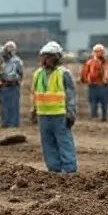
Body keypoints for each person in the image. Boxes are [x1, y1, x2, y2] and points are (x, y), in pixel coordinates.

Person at [31, 41, 77, 173]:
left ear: (57, 58)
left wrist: (71, 112)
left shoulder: (63, 73)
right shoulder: (38, 74)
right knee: (48, 143)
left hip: (60, 114)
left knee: (64, 142)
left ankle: (69, 169)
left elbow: (70, 94)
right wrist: (33, 110)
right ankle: (54, 169)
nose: (46, 59)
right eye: (44, 56)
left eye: (49, 56)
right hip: (43, 115)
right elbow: (34, 94)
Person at [79, 44, 108, 121]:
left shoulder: (90, 62)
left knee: (93, 102)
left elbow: (84, 74)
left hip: (93, 86)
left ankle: (95, 116)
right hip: (103, 86)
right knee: (104, 103)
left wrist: (84, 80)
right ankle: (103, 117)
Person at [0, 40, 23, 127]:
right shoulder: (0, 61)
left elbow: (21, 73)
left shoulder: (17, 61)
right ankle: (6, 123)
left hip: (14, 85)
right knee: (4, 106)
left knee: (14, 105)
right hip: (4, 86)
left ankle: (14, 123)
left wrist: (18, 81)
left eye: (11, 49)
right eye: (8, 49)